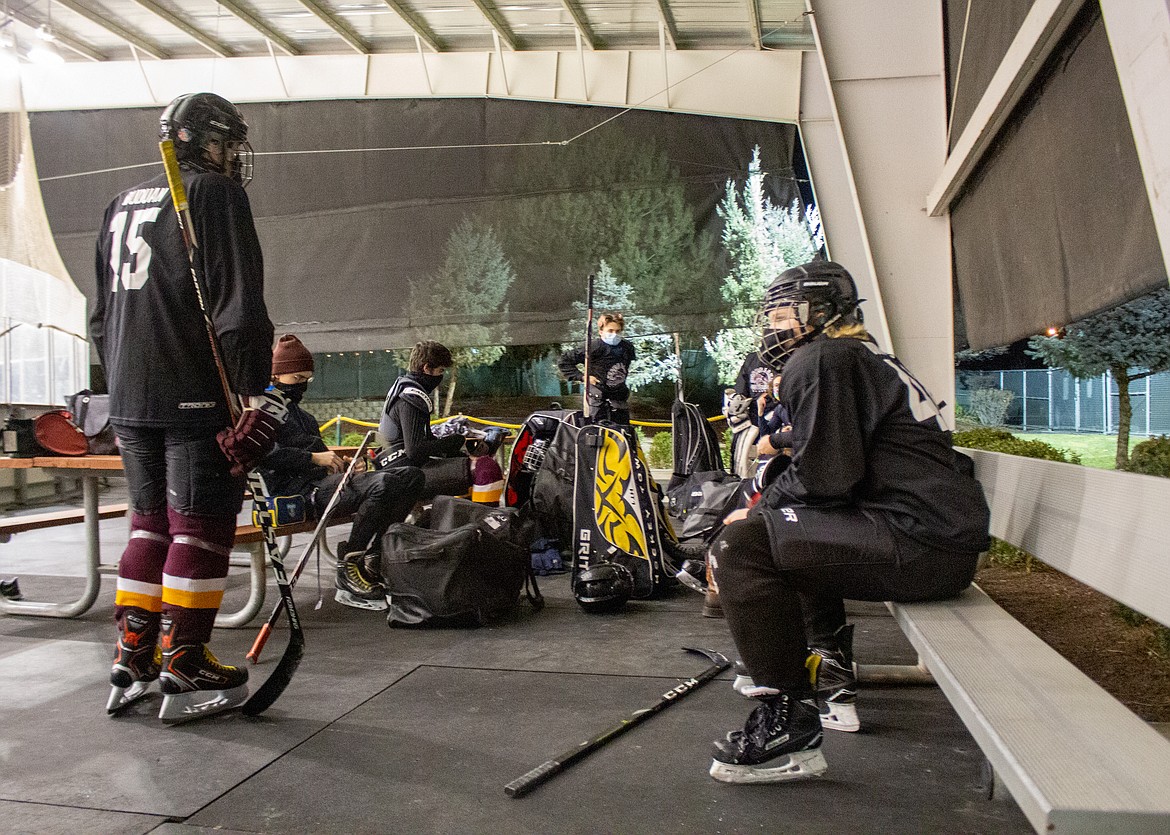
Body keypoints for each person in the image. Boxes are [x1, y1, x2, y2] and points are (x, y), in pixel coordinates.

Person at [707, 260, 990, 784]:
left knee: (741, 547)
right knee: (784, 533)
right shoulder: (851, 355)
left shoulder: (824, 359)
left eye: (784, 313)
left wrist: (751, 512)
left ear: (820, 311)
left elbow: (825, 475)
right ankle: (826, 667)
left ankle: (788, 715)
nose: (775, 326)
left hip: (919, 541)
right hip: (930, 537)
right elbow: (833, 467)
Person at [93, 92, 286, 721]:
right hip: (192, 388)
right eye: (228, 142)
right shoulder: (215, 194)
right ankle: (186, 659)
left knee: (148, 524)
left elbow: (99, 316)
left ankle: (134, 651)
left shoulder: (120, 202)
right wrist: (252, 395)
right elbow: (237, 302)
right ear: (208, 141)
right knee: (200, 525)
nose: (233, 155)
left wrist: (119, 381)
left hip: (127, 393)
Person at [258, 335, 425, 611]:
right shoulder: (262, 413)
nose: (301, 385)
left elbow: (326, 460)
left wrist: (348, 466)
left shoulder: (304, 418)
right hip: (296, 493)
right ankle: (349, 564)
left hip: (323, 483)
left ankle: (373, 555)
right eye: (296, 377)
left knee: (411, 476)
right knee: (381, 484)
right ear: (275, 374)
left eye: (307, 379)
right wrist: (312, 457)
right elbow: (264, 455)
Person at [376, 341, 470, 499]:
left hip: (395, 467)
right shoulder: (411, 398)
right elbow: (415, 450)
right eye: (440, 371)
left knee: (464, 460)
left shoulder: (403, 388)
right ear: (426, 368)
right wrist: (453, 441)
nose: (441, 376)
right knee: (482, 469)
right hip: (404, 474)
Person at [558, 313, 635, 425]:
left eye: (618, 331)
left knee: (622, 433)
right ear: (601, 331)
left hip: (619, 399)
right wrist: (583, 377)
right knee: (596, 433)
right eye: (610, 331)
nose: (614, 334)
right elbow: (564, 360)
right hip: (597, 399)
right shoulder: (594, 346)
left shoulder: (627, 347)